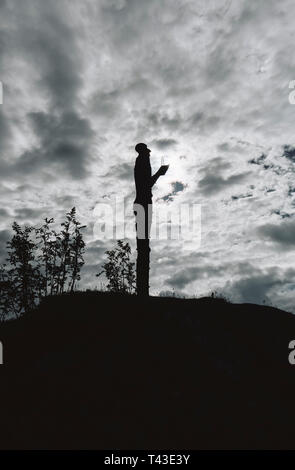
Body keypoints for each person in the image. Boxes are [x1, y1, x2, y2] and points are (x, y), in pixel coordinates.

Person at [133, 143, 168, 296]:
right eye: (147, 152)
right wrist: (160, 173)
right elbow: (147, 184)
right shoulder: (142, 162)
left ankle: (142, 289)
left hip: (143, 201)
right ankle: (142, 290)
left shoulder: (141, 161)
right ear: (143, 152)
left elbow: (146, 184)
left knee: (143, 242)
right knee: (143, 244)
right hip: (143, 202)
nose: (149, 154)